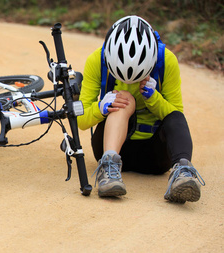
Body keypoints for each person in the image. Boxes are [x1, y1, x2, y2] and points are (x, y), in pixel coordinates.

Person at [78, 15, 205, 203]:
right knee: (123, 99)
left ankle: (182, 173)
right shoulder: (97, 59)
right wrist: (101, 107)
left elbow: (175, 116)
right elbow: (81, 121)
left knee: (175, 115)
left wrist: (153, 97)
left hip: (156, 157)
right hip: (114, 150)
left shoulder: (167, 60)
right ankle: (109, 169)